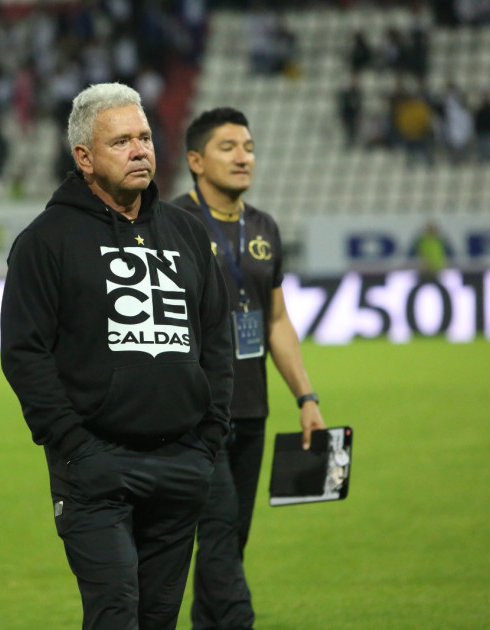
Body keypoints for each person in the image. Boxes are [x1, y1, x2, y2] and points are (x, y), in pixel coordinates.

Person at [0, 82, 234, 630]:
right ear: (84, 157)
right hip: (96, 466)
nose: (140, 150)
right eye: (122, 141)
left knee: (158, 620)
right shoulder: (45, 241)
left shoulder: (186, 233)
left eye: (146, 137)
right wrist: (73, 445)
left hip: (182, 462)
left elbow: (218, 338)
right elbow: (23, 352)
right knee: (113, 615)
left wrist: (209, 436)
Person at [171, 107, 326, 630]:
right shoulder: (172, 226)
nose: (244, 157)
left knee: (230, 540)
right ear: (196, 160)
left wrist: (307, 399)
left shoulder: (264, 227)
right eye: (228, 147)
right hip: (197, 415)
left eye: (250, 147)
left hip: (253, 409)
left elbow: (276, 320)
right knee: (217, 536)